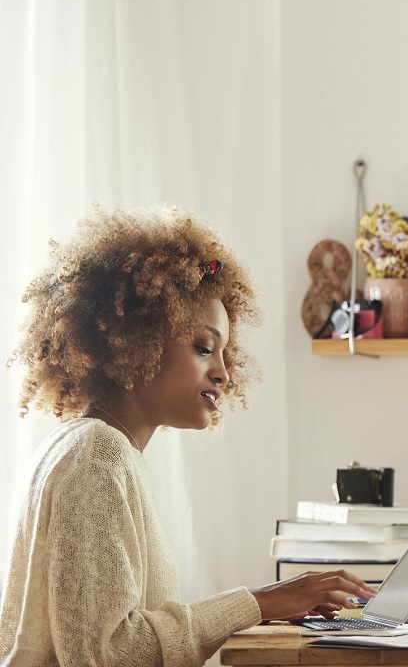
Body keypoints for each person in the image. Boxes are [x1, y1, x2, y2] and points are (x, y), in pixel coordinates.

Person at [0, 206, 377, 666]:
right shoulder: (97, 457)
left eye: (223, 353)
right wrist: (257, 603)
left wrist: (259, 609)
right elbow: (108, 655)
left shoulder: (95, 447)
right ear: (135, 341)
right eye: (203, 348)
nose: (222, 373)